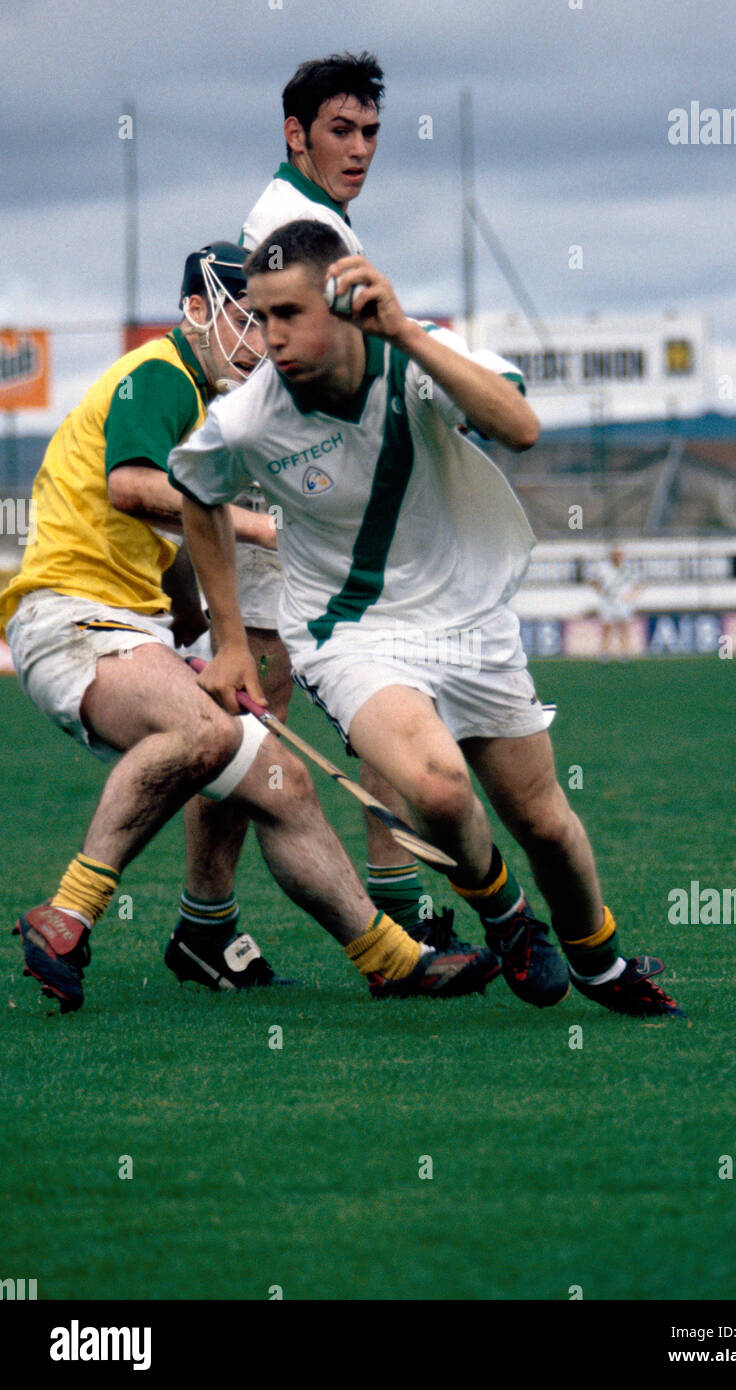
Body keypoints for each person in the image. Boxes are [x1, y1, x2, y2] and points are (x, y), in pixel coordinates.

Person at [169, 220, 685, 1018]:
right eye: (259, 315)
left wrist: (405, 332)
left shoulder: (416, 354)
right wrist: (230, 641)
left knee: (545, 824)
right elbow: (196, 492)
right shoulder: (247, 417)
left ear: (344, 302)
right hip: (351, 635)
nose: (269, 337)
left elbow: (518, 427)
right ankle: (507, 917)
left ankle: (599, 960)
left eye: (288, 314)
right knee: (438, 788)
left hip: (472, 622)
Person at [1, 239, 496, 1012]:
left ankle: (393, 960)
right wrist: (262, 529)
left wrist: (199, 636)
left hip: (127, 627)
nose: (259, 340)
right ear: (195, 312)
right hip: (72, 619)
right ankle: (66, 915)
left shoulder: (202, 408)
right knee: (201, 737)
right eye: (243, 318)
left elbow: (156, 544)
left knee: (283, 783)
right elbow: (131, 488)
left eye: (266, 322)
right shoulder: (160, 375)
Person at [186, 49, 468, 960]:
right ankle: (206, 920)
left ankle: (230, 919)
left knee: (294, 707)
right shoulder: (297, 221)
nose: (360, 149)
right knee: (259, 713)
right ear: (294, 133)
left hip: (311, 490)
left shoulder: (314, 215)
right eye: (340, 131)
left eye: (371, 133)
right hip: (303, 494)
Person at [591, 546, 640, 660]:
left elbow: (638, 585)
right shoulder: (603, 568)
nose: (618, 557)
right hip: (608, 602)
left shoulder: (628, 569)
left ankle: (624, 652)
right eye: (615, 555)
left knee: (624, 627)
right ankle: (604, 652)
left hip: (623, 602)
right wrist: (601, 591)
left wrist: (631, 596)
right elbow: (593, 581)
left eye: (620, 555)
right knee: (607, 627)